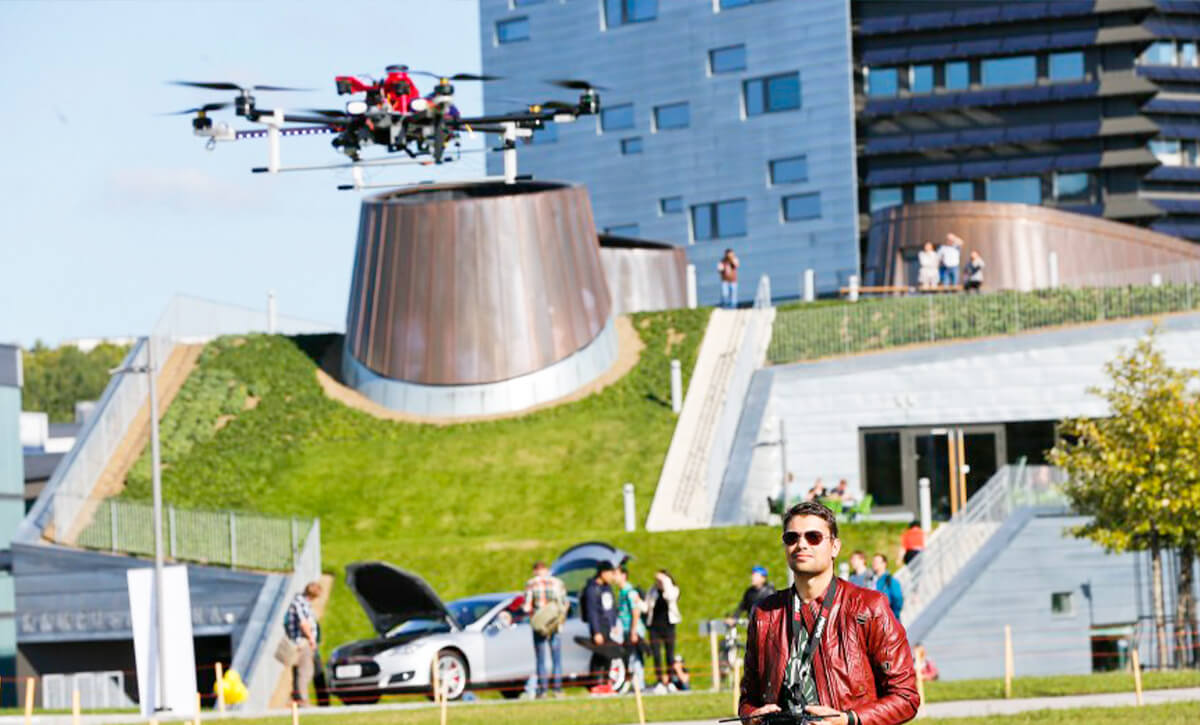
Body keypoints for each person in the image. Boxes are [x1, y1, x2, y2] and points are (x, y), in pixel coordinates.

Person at [738, 502, 919, 725]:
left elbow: (906, 697)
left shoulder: (870, 607)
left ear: (835, 547)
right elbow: (748, 699)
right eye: (791, 538)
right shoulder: (764, 614)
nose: (801, 544)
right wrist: (752, 716)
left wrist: (849, 720)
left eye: (813, 537)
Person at [522, 560, 568, 698]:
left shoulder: (531, 584)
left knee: (540, 659)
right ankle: (558, 689)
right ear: (547, 569)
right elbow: (564, 604)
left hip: (540, 626)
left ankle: (543, 690)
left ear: (535, 571)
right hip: (554, 625)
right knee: (557, 659)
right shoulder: (557, 583)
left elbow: (527, 607)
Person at [579, 561, 619, 694]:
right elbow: (592, 612)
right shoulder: (592, 589)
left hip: (608, 627)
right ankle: (595, 684)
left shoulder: (607, 588)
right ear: (603, 573)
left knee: (608, 655)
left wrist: (614, 624)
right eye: (610, 573)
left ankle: (606, 683)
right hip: (599, 627)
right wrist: (596, 631)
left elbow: (611, 608)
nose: (612, 576)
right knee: (598, 655)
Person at [285, 581, 324, 706]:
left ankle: (299, 698)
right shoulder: (300, 603)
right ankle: (302, 701)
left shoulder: (301, 602)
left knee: (302, 671)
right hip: (302, 642)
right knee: (305, 672)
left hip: (302, 641)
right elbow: (303, 623)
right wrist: (311, 639)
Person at [644, 569, 682, 694]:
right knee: (656, 655)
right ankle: (659, 681)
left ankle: (670, 681)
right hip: (654, 626)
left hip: (668, 625)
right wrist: (638, 603)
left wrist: (665, 582)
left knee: (669, 654)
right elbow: (646, 607)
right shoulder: (652, 591)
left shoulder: (673, 590)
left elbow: (670, 597)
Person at [613, 565, 648, 694]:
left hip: (634, 629)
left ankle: (640, 685)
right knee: (629, 656)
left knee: (635, 656)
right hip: (626, 630)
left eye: (616, 574)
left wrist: (634, 631)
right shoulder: (621, 592)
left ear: (624, 575)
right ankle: (634, 683)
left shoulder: (630, 592)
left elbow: (635, 612)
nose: (614, 577)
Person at [872, 554, 904, 619]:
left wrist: (892, 616)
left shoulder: (891, 580)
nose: (874, 563)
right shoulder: (870, 580)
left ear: (884, 564)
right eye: (873, 561)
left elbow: (898, 599)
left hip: (889, 619)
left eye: (877, 561)